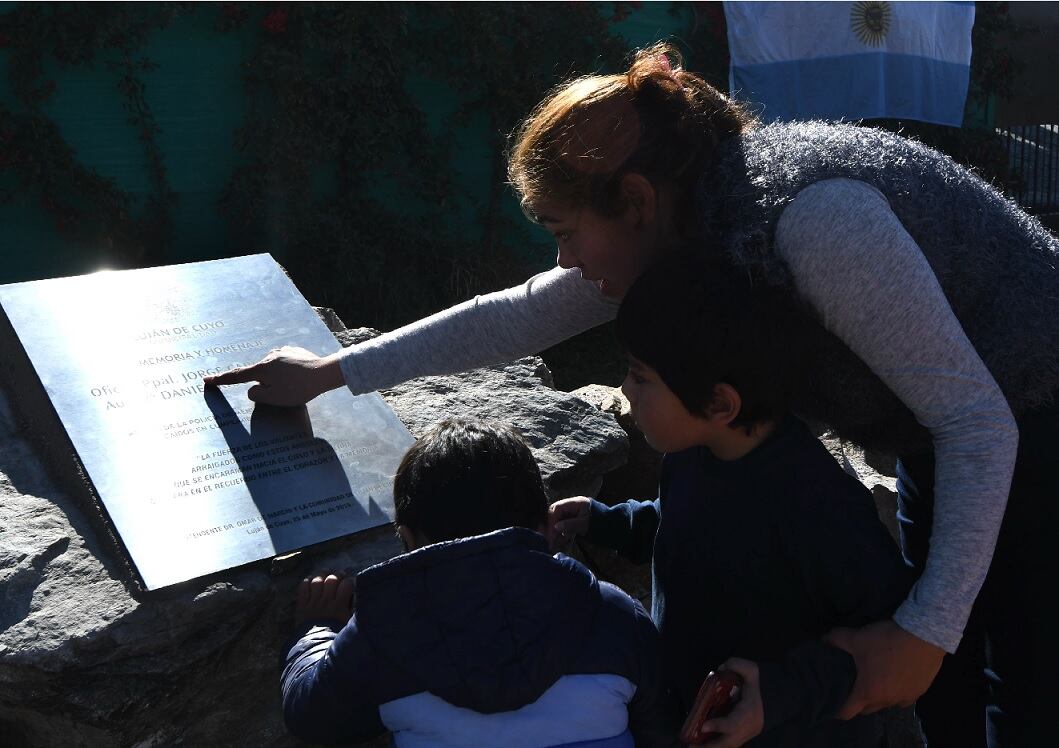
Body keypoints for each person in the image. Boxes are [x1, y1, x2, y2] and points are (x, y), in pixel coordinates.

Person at [211, 43, 1059, 746]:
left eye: (564, 233)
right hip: (936, 424)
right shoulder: (675, 232)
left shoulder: (813, 222)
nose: (565, 264)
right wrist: (329, 372)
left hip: (1032, 407)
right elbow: (522, 315)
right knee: (944, 687)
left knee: (1019, 679)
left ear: (637, 202)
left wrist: (923, 632)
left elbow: (976, 420)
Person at [549, 252, 912, 747]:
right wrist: (609, 523)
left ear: (721, 403)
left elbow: (884, 636)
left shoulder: (817, 505)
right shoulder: (694, 454)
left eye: (640, 376)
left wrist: (780, 694)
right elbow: (684, 525)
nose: (625, 390)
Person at [281, 418, 678, 748]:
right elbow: (661, 726)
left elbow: (313, 718)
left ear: (408, 537)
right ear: (544, 525)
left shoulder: (383, 630)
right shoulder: (610, 612)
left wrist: (316, 631)